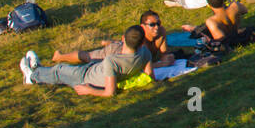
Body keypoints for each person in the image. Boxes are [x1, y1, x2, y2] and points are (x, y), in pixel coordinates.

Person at [20, 25, 154, 96]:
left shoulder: (112, 61)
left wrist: (89, 90)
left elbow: (110, 92)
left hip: (85, 78)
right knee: (64, 69)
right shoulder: (145, 53)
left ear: (123, 38)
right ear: (142, 43)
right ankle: (39, 70)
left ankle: (32, 76)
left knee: (59, 71)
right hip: (94, 68)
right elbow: (149, 76)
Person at [52, 10, 176, 69]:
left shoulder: (161, 32)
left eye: (158, 23)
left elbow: (164, 53)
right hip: (116, 52)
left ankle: (111, 42)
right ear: (142, 26)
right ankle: (59, 56)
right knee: (89, 58)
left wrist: (167, 58)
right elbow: (139, 66)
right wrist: (162, 64)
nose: (156, 27)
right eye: (152, 24)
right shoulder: (139, 38)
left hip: (124, 49)